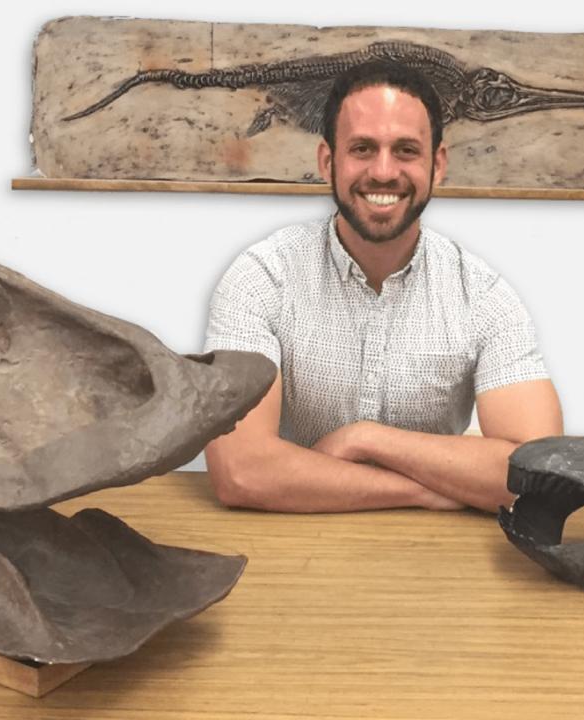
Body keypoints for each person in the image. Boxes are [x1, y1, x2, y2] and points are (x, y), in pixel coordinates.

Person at [202, 61, 562, 513]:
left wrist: (364, 439)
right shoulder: (261, 278)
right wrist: (422, 491)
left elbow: (541, 473)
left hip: (435, 559)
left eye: (406, 150)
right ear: (328, 162)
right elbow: (241, 471)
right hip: (289, 542)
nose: (384, 172)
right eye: (363, 148)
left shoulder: (485, 298)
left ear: (438, 165)